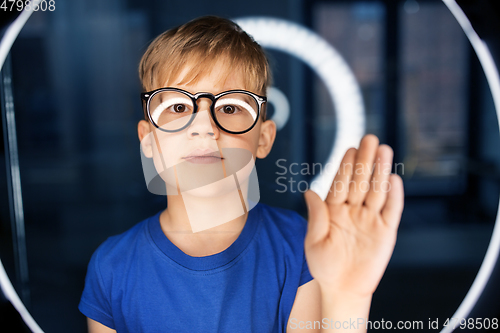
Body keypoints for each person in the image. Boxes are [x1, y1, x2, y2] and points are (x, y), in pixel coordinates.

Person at [78, 16, 404, 333]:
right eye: (178, 108)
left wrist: (348, 298)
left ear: (263, 138)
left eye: (230, 108)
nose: (204, 127)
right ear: (148, 140)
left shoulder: (302, 246)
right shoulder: (111, 266)